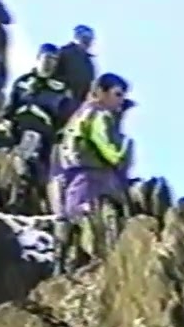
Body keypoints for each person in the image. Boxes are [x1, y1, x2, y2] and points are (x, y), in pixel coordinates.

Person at [0, 44, 72, 212]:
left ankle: (22, 201)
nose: (49, 64)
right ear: (38, 58)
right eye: (46, 58)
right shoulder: (23, 81)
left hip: (38, 130)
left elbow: (64, 117)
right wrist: (7, 120)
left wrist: (55, 134)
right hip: (15, 125)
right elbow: (10, 106)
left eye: (53, 60)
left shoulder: (61, 88)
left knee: (23, 158)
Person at [51, 73, 135, 272]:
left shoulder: (79, 115)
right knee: (96, 222)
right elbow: (109, 147)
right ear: (100, 92)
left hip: (73, 178)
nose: (121, 100)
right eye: (117, 94)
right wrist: (123, 154)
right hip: (95, 177)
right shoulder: (99, 115)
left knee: (73, 222)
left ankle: (67, 268)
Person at [54, 25, 97, 109]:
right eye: (84, 38)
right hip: (59, 100)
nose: (87, 42)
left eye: (89, 40)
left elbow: (89, 88)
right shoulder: (63, 52)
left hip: (77, 107)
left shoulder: (89, 64)